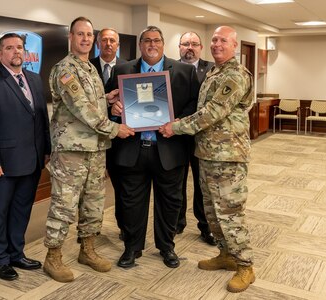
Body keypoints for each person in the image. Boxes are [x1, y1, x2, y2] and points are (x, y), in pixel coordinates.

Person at [159, 26, 255, 293]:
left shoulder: (235, 74)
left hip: (229, 157)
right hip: (208, 153)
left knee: (231, 213)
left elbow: (211, 112)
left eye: (223, 40)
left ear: (234, 45)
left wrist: (175, 126)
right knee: (213, 212)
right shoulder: (215, 72)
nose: (217, 44)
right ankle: (226, 255)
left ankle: (246, 265)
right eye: (213, 39)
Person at [43, 16, 134, 283]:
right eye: (80, 34)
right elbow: (81, 108)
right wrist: (116, 129)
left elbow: (92, 102)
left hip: (95, 149)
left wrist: (108, 98)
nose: (85, 39)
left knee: (94, 203)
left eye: (88, 35)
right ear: (70, 37)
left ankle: (88, 249)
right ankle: (53, 256)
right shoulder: (65, 69)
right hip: (71, 150)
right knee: (64, 204)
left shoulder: (90, 68)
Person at [106, 26, 200, 269]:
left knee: (170, 202)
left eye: (156, 40)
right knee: (130, 202)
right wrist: (113, 109)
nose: (151, 44)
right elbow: (107, 101)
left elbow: (195, 104)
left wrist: (180, 121)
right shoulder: (122, 69)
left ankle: (166, 246)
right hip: (132, 149)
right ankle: (131, 248)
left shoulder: (184, 72)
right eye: (146, 40)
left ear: (163, 43)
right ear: (140, 45)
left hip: (169, 148)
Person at [0, 33, 51, 281]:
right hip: (3, 164)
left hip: (32, 160)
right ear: (0, 53)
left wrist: (46, 150)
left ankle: (16, 253)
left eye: (19, 47)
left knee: (21, 211)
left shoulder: (35, 79)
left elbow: (42, 119)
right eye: (9, 47)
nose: (16, 51)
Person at [176, 31, 216, 246]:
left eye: (194, 44)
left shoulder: (212, 70)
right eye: (185, 44)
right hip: (176, 136)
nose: (189, 48)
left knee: (203, 184)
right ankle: (178, 222)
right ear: (179, 47)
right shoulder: (170, 68)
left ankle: (205, 226)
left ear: (201, 47)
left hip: (203, 138)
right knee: (176, 182)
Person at [89, 28, 127, 240]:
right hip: (93, 138)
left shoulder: (128, 67)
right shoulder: (88, 66)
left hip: (119, 138)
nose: (108, 44)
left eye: (112, 40)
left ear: (118, 44)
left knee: (122, 186)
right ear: (98, 43)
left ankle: (123, 226)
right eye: (104, 40)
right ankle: (89, 230)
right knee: (91, 189)